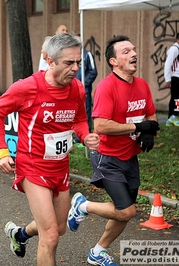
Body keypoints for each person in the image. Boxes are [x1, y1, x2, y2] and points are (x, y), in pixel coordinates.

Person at [0, 33, 100, 265]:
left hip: (60, 168)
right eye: (68, 63)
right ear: (50, 62)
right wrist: (1, 152)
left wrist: (84, 135)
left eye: (78, 62)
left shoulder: (78, 88)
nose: (75, 68)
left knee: (58, 228)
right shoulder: (27, 88)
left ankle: (19, 234)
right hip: (32, 167)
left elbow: (79, 119)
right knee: (49, 236)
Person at [67, 35, 159, 266]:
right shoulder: (107, 86)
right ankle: (82, 206)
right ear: (114, 61)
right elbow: (101, 125)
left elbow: (151, 115)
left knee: (123, 212)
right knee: (127, 211)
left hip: (130, 157)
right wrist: (138, 126)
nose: (133, 54)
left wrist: (149, 131)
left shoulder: (142, 85)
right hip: (108, 157)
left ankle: (97, 252)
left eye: (134, 49)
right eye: (126, 51)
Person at [164, 31, 179, 127]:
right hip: (174, 77)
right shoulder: (174, 49)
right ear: (177, 39)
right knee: (177, 98)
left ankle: (171, 118)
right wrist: (168, 79)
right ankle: (173, 116)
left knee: (177, 97)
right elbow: (168, 63)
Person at [75, 34, 98, 133]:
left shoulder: (87, 54)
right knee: (75, 112)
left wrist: (84, 84)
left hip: (85, 90)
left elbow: (93, 71)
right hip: (73, 89)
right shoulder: (71, 55)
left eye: (80, 41)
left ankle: (86, 133)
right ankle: (76, 135)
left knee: (85, 111)